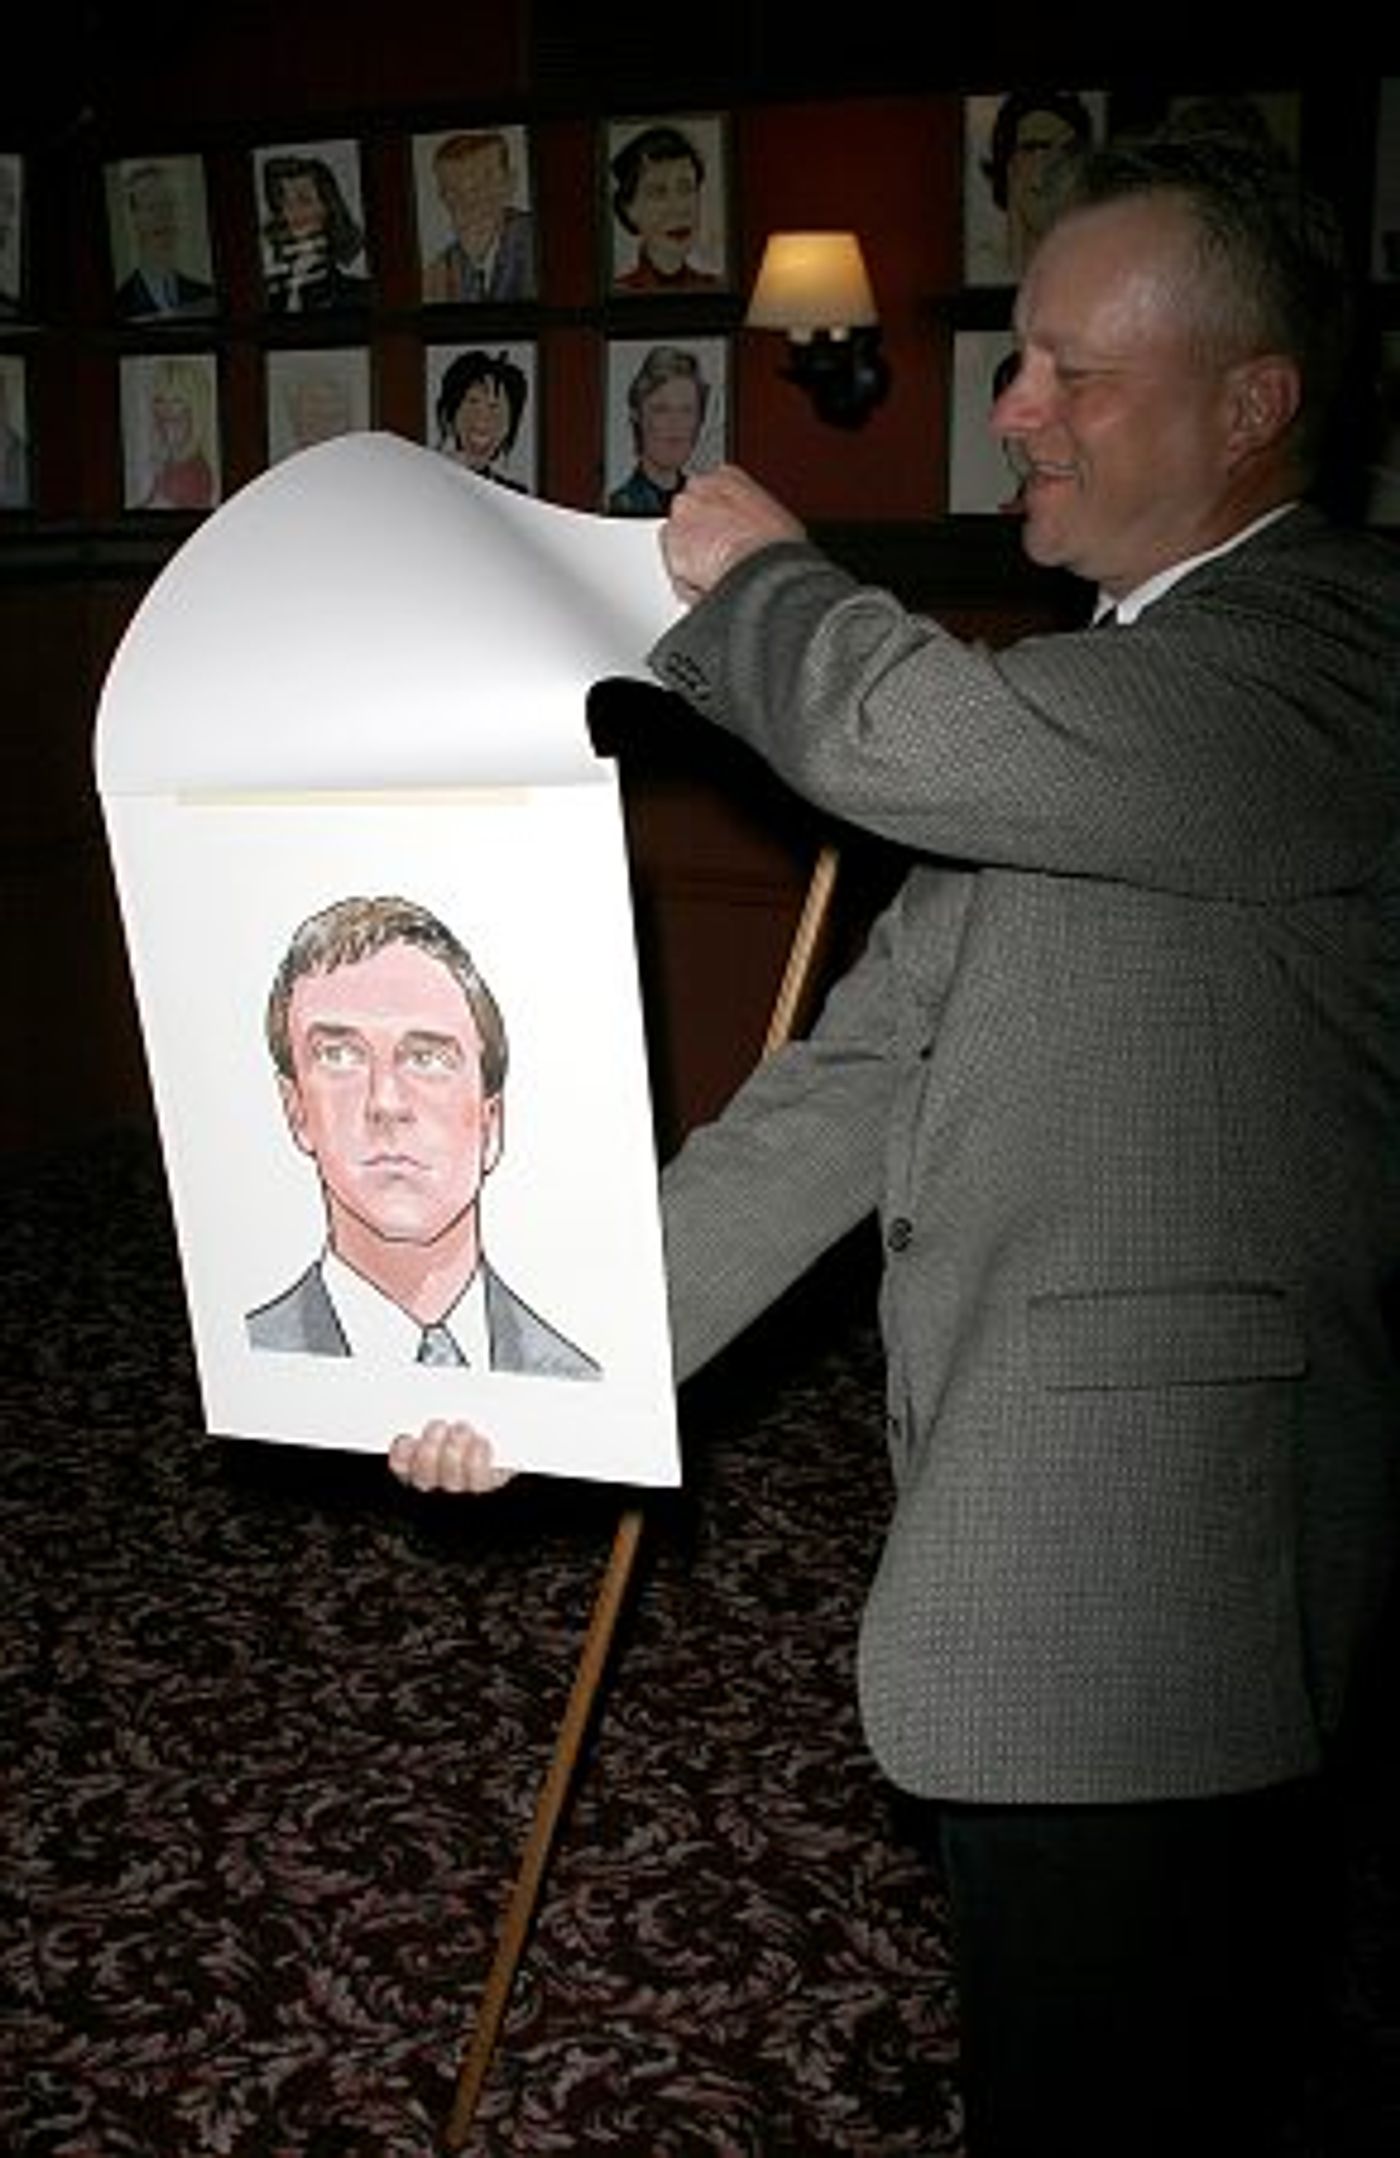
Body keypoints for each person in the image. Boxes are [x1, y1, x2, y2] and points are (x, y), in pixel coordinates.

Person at [391, 123, 1400, 2153]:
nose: (1011, 408)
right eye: (1016, 360)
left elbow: (891, 730)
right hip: (1056, 1525)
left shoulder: (1338, 649)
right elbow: (851, 1082)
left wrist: (758, 579)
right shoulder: (1107, 702)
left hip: (1181, 1563)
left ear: (1251, 406)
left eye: (1070, 370)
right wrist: (547, 1355)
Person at [247, 895, 599, 1380]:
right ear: (296, 1110)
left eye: (427, 1058)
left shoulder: (580, 1381)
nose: (385, 1102)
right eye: (339, 1055)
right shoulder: (242, 1362)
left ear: (491, 1121)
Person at [977, 88, 1094, 280]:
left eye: (1068, 150)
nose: (1052, 164)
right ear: (1010, 165)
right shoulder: (984, 266)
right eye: (1035, 148)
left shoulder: (1097, 263)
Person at [421, 131, 536, 304]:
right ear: (443, 197)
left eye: (480, 186)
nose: (469, 203)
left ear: (509, 184)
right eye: (454, 192)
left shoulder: (536, 242)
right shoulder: (439, 273)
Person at [609, 122, 721, 292]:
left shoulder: (713, 286)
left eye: (686, 189)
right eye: (658, 193)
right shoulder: (621, 289)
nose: (679, 208)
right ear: (629, 209)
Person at [259, 151, 370, 314]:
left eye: (305, 200)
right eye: (284, 201)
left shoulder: (358, 295)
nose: (293, 211)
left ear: (328, 208)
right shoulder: (266, 295)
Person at [607, 345, 710, 516]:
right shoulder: (618, 509)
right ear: (637, 416)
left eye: (686, 410)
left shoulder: (707, 507)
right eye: (661, 409)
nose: (675, 424)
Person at [112, 159, 216, 321]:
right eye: (152, 208)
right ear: (134, 219)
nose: (163, 218)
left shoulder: (206, 295)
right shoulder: (119, 305)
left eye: (169, 206)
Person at [434, 347, 530, 489]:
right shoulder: (426, 478)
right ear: (451, 415)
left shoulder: (514, 494)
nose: (483, 417)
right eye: (473, 402)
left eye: (495, 406)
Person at [135, 356, 217, 511]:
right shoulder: (169, 464)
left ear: (194, 408)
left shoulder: (192, 472)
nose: (165, 410)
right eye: (159, 400)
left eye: (177, 400)